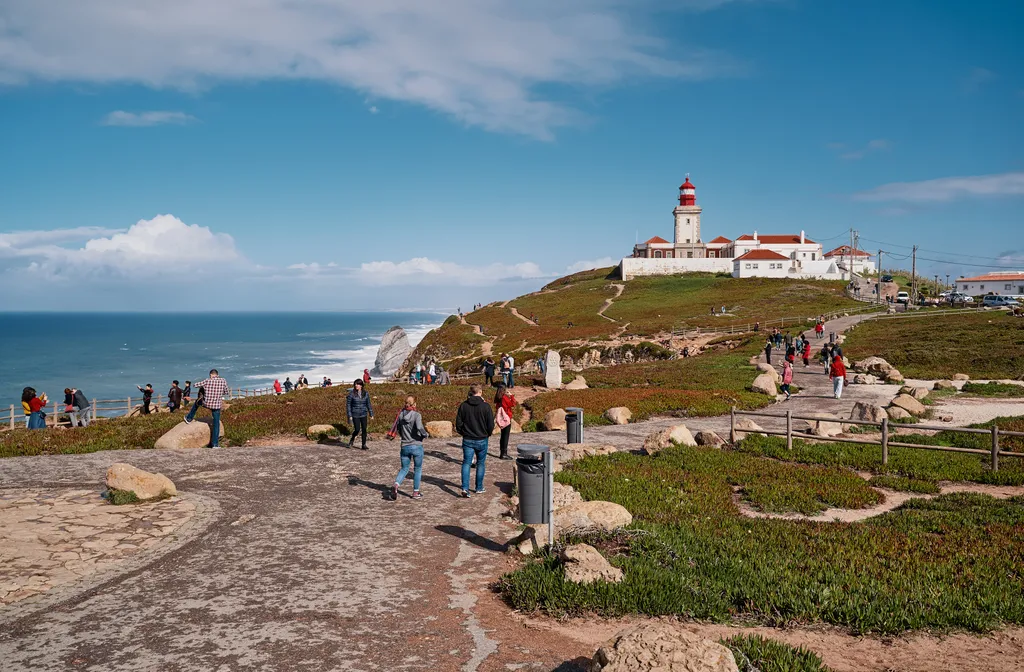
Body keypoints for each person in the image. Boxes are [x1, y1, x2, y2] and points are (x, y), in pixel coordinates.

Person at [455, 384, 495, 497]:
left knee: (466, 463)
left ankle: (465, 488)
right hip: (482, 438)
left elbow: (458, 423)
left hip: (468, 438)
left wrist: (463, 432)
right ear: (480, 392)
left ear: (471, 392)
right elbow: (490, 424)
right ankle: (479, 487)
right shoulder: (486, 406)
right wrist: (487, 434)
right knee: (480, 463)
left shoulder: (463, 406)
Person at [391, 395, 427, 500]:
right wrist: (425, 434)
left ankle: (396, 485)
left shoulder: (400, 415)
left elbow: (398, 429)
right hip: (416, 445)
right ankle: (415, 492)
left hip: (405, 445)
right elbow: (420, 427)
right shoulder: (417, 415)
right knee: (418, 469)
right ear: (414, 404)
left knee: (404, 468)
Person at [184, 369, 229, 448]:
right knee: (216, 423)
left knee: (197, 403)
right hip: (217, 405)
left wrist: (204, 387)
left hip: (206, 403)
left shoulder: (207, 381)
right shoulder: (223, 380)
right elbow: (226, 392)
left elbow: (195, 385)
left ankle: (189, 418)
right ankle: (215, 444)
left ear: (211, 375)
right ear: (217, 375)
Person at [346, 378, 374, 450]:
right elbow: (348, 405)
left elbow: (368, 404)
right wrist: (350, 415)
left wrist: (371, 414)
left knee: (364, 429)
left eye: (358, 384)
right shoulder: (351, 394)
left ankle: (363, 445)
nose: (356, 385)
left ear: (361, 385)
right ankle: (352, 440)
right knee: (357, 429)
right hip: (355, 414)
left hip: (364, 414)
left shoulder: (366, 393)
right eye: (355, 384)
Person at [494, 384, 516, 461]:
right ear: (504, 389)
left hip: (501, 419)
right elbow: (513, 404)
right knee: (505, 437)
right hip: (506, 419)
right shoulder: (504, 397)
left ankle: (502, 453)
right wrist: (511, 396)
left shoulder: (498, 397)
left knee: (503, 436)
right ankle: (504, 454)